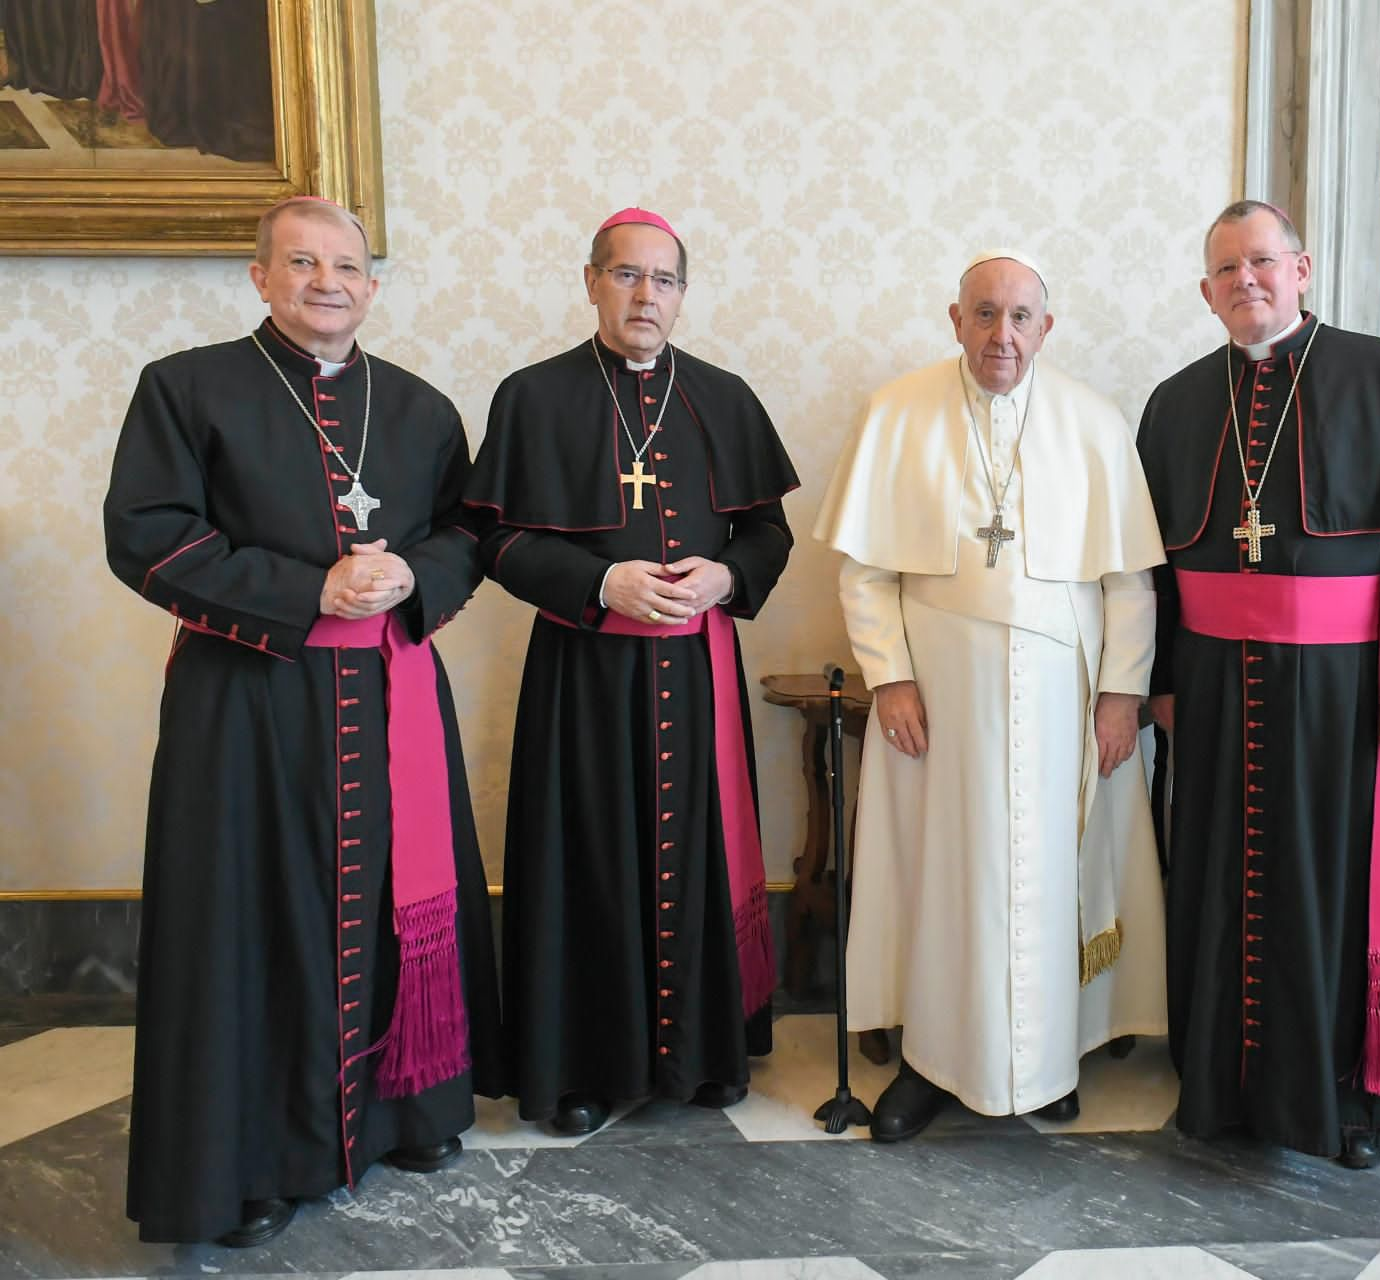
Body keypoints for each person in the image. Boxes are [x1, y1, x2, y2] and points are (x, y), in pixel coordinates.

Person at [103, 195, 502, 1246]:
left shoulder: (418, 407)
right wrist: (306, 591)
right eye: (303, 261)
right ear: (259, 275)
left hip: (392, 694)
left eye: (349, 264)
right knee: (254, 920)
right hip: (249, 699)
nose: (329, 280)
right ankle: (256, 1161)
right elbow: (146, 535)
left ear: (373, 283)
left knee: (391, 901)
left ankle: (405, 1110)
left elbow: (470, 532)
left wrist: (414, 569)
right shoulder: (187, 388)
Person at [1137, 200, 1380, 1169]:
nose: (1245, 280)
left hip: (1345, 688)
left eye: (1262, 261)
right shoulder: (1176, 401)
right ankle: (1217, 1084)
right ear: (1205, 290)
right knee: (1216, 875)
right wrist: (1162, 682)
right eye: (1225, 269)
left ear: (1302, 269)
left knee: (1332, 882)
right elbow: (1155, 571)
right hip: (1215, 687)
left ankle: (1342, 1097)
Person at [814, 250, 1168, 1141]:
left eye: (1019, 317)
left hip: (1066, 692)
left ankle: (1047, 1059)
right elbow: (863, 571)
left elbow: (1129, 579)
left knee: (1057, 868)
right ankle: (934, 1063)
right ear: (955, 319)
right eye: (984, 314)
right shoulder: (898, 411)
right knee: (940, 869)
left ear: (1046, 327)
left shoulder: (1092, 419)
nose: (1001, 334)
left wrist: (1121, 695)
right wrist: (888, 675)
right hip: (936, 693)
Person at [465, 207, 797, 1137]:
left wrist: (728, 574)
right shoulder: (533, 397)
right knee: (586, 859)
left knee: (700, 854)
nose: (645, 295)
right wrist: (598, 578)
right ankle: (578, 1068)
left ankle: (705, 1055)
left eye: (664, 280)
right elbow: (495, 537)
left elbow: (770, 531)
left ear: (684, 295)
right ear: (591, 282)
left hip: (696, 675)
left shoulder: (724, 398)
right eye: (627, 276)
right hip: (583, 673)